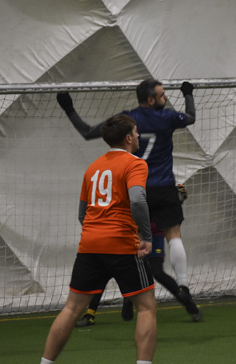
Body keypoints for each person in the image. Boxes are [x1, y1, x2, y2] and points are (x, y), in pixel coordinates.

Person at [57, 78, 198, 308]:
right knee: (173, 235)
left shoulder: (127, 120)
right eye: (162, 95)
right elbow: (190, 117)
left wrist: (69, 109)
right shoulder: (168, 117)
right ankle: (182, 285)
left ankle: (123, 297)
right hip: (163, 187)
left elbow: (87, 132)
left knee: (134, 241)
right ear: (150, 100)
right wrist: (188, 94)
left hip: (135, 188)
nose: (165, 98)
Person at [40, 114, 156, 364]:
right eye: (136, 132)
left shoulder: (93, 168)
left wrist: (97, 233)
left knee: (72, 308)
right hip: (122, 245)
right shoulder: (136, 164)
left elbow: (82, 214)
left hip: (89, 246)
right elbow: (137, 200)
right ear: (128, 138)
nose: (138, 135)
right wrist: (146, 236)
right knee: (146, 307)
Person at [76, 184, 202, 327]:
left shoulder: (154, 184)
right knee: (106, 272)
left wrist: (175, 197)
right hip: (134, 232)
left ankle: (187, 302)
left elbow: (170, 199)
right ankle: (91, 314)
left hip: (153, 233)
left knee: (156, 271)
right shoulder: (134, 185)